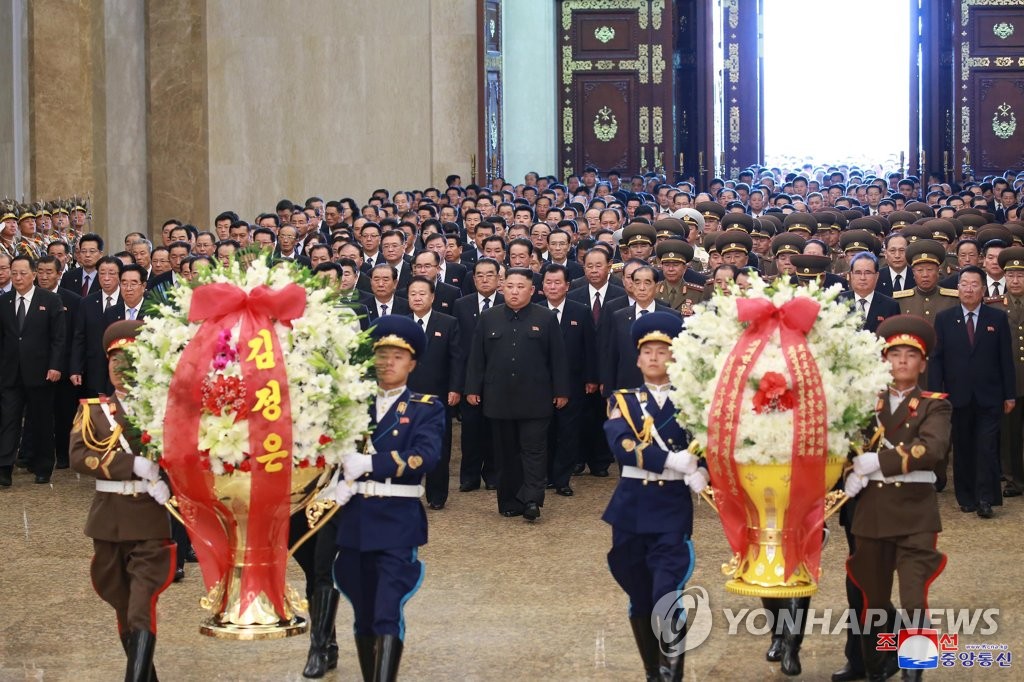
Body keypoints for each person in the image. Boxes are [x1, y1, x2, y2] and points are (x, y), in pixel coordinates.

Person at [332, 315, 444, 682]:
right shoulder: (352, 405)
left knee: (386, 609)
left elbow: (425, 456)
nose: (388, 363)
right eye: (381, 355)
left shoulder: (426, 407)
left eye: (397, 356)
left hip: (397, 519)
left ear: (412, 363)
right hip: (355, 517)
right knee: (362, 611)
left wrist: (371, 462)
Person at [843, 315, 951, 682]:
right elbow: (845, 451)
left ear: (922, 363)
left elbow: (931, 449)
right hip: (871, 514)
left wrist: (879, 462)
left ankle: (915, 667)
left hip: (915, 514)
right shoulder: (864, 404)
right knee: (873, 600)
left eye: (910, 355)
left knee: (914, 596)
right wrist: (848, 474)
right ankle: (877, 664)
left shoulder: (935, 405)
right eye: (894, 354)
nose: (902, 361)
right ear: (884, 360)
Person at [603, 311, 707, 681]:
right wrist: (674, 460)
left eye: (662, 351)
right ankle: (652, 669)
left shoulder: (692, 402)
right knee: (640, 596)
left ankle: (671, 672)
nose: (653, 357)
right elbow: (623, 446)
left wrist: (703, 470)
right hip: (630, 508)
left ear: (675, 357)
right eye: (647, 351)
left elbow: (706, 448)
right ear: (637, 358)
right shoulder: (623, 401)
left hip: (670, 510)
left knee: (667, 591)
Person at [69, 320, 175, 682]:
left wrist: (168, 481)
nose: (118, 366)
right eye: (113, 359)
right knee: (122, 603)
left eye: (127, 358)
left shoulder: (162, 410)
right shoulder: (94, 410)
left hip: (149, 519)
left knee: (142, 606)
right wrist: (132, 464)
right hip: (108, 520)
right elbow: (78, 456)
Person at [465, 267, 570, 520]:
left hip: (536, 398)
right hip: (499, 398)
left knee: (534, 451)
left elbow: (558, 358)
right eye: (510, 286)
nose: (514, 291)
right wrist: (471, 388)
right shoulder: (489, 317)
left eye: (521, 287)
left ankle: (532, 499)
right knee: (505, 453)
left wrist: (561, 391)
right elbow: (477, 358)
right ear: (502, 288)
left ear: (532, 290)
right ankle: (510, 501)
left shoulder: (545, 318)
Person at [929, 265, 1015, 518]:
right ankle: (966, 497)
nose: (968, 289)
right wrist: (936, 396)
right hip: (958, 396)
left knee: (986, 448)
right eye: (964, 284)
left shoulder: (996, 318)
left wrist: (1009, 394)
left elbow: (1005, 360)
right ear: (958, 289)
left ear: (983, 289)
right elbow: (937, 360)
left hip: (990, 396)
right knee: (964, 447)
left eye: (974, 284)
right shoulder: (944, 319)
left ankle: (986, 498)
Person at [0, 255, 66, 485]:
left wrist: (55, 365)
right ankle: (4, 468)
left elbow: (59, 338)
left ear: (34, 275)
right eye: (14, 273)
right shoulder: (4, 301)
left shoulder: (50, 300)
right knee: (8, 420)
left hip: (41, 372)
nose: (17, 278)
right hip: (10, 373)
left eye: (22, 273)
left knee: (41, 421)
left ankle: (43, 466)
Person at [405, 276, 463, 510]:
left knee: (438, 446)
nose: (417, 298)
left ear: (432, 297)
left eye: (422, 293)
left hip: (438, 396)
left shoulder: (448, 323)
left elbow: (457, 360)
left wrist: (455, 388)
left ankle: (437, 494)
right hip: (407, 396)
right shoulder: (402, 324)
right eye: (413, 294)